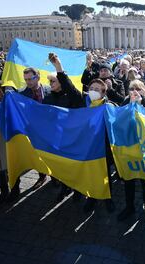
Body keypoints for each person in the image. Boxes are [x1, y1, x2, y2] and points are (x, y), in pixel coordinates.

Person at [43, 53, 85, 201]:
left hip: (73, 137)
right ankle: (64, 187)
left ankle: (78, 190)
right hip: (56, 137)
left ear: (60, 82)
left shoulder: (73, 96)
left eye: (53, 81)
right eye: (49, 81)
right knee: (61, 166)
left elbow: (67, 84)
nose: (50, 84)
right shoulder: (48, 97)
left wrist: (58, 67)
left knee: (74, 165)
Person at [117, 80, 145, 227]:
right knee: (129, 181)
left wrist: (139, 104)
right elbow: (118, 120)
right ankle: (129, 207)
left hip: (144, 152)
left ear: (144, 90)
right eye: (132, 88)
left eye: (139, 88)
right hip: (128, 150)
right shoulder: (125, 102)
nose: (135, 91)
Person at [82, 78, 117, 213]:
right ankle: (92, 198)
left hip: (105, 147)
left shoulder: (110, 106)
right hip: (89, 146)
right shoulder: (83, 103)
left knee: (105, 173)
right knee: (91, 172)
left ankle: (108, 198)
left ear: (103, 92)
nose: (93, 92)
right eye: (91, 89)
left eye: (97, 90)